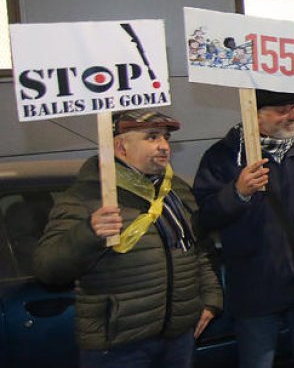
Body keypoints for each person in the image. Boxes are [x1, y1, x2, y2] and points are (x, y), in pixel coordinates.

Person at [34, 109, 222, 368]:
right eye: (152, 137)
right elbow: (48, 268)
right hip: (118, 345)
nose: (164, 146)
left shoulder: (174, 190)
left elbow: (199, 248)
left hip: (179, 337)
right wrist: (89, 234)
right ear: (120, 146)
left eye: (165, 137)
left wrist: (211, 299)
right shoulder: (86, 197)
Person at [193, 90, 294, 368]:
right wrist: (238, 192)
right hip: (256, 285)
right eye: (283, 110)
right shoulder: (224, 157)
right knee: (258, 361)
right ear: (255, 115)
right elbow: (205, 216)